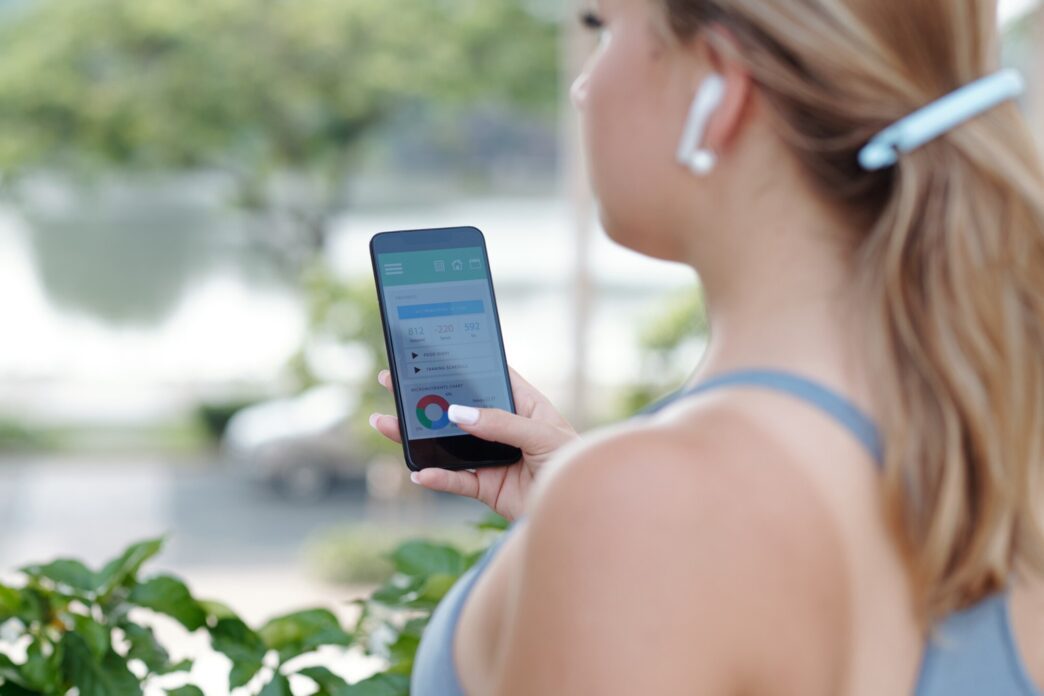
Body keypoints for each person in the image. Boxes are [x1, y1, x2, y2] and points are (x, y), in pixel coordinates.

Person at [369, 0, 1044, 692]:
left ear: (717, 88)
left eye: (603, 29)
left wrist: (611, 525)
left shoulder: (645, 510)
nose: (582, 86)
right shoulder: (1006, 450)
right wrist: (581, 539)